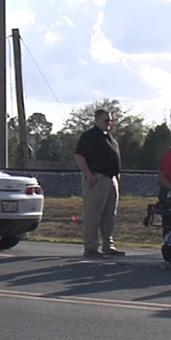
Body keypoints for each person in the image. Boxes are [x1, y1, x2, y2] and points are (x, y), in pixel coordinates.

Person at [74, 109, 124, 258]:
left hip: (111, 179)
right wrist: (89, 175)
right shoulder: (89, 136)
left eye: (110, 121)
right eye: (106, 120)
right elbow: (79, 156)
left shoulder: (110, 138)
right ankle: (91, 247)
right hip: (97, 179)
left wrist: (117, 177)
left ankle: (108, 245)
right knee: (93, 214)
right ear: (97, 120)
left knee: (109, 215)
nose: (109, 124)